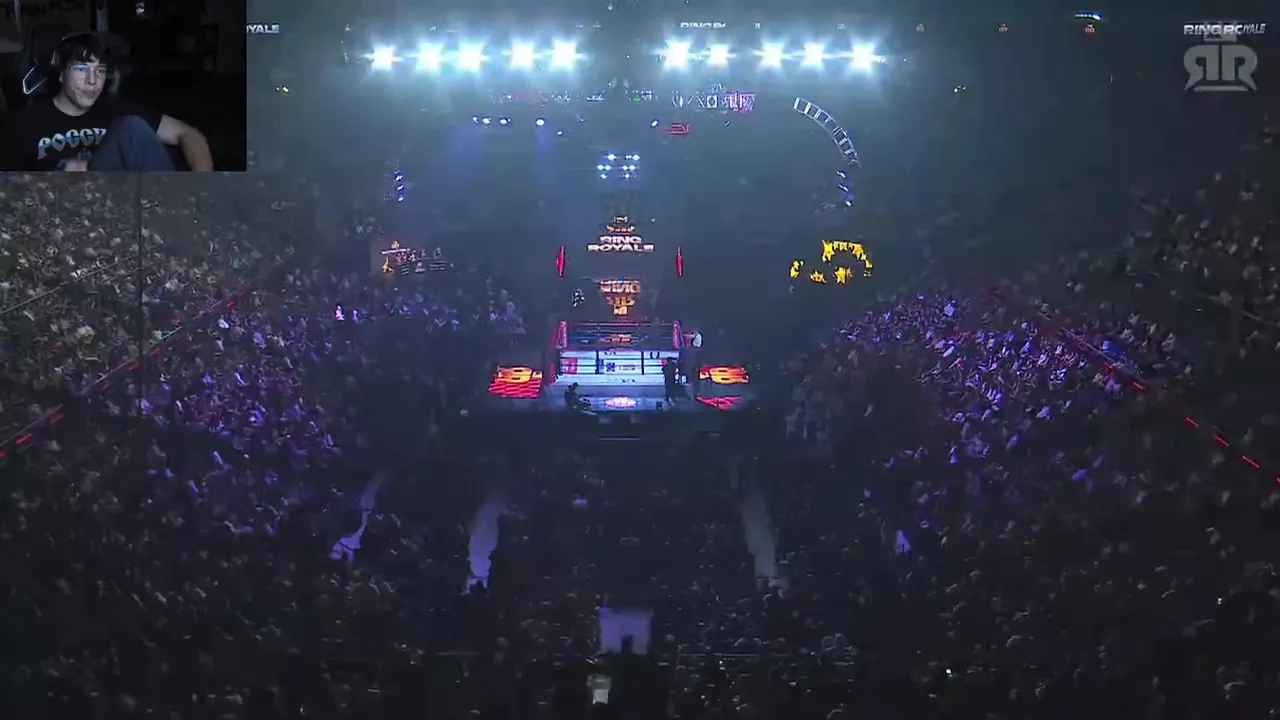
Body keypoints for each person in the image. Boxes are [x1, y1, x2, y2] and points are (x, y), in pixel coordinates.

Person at [0, 32, 214, 171]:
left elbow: (189, 134)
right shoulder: (23, 124)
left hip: (128, 211)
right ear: (61, 74)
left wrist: (204, 189)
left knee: (132, 127)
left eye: (100, 71)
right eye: (82, 69)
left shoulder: (117, 110)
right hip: (63, 213)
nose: (92, 81)